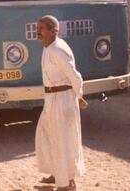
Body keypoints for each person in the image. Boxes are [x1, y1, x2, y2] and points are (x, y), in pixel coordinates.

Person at [35, 15, 88, 191]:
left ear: (53, 31)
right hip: (51, 99)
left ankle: (68, 183)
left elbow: (75, 75)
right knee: (47, 135)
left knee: (64, 140)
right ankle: (57, 174)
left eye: (41, 29)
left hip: (62, 100)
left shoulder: (58, 50)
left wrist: (78, 96)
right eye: (38, 28)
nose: (38, 32)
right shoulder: (48, 48)